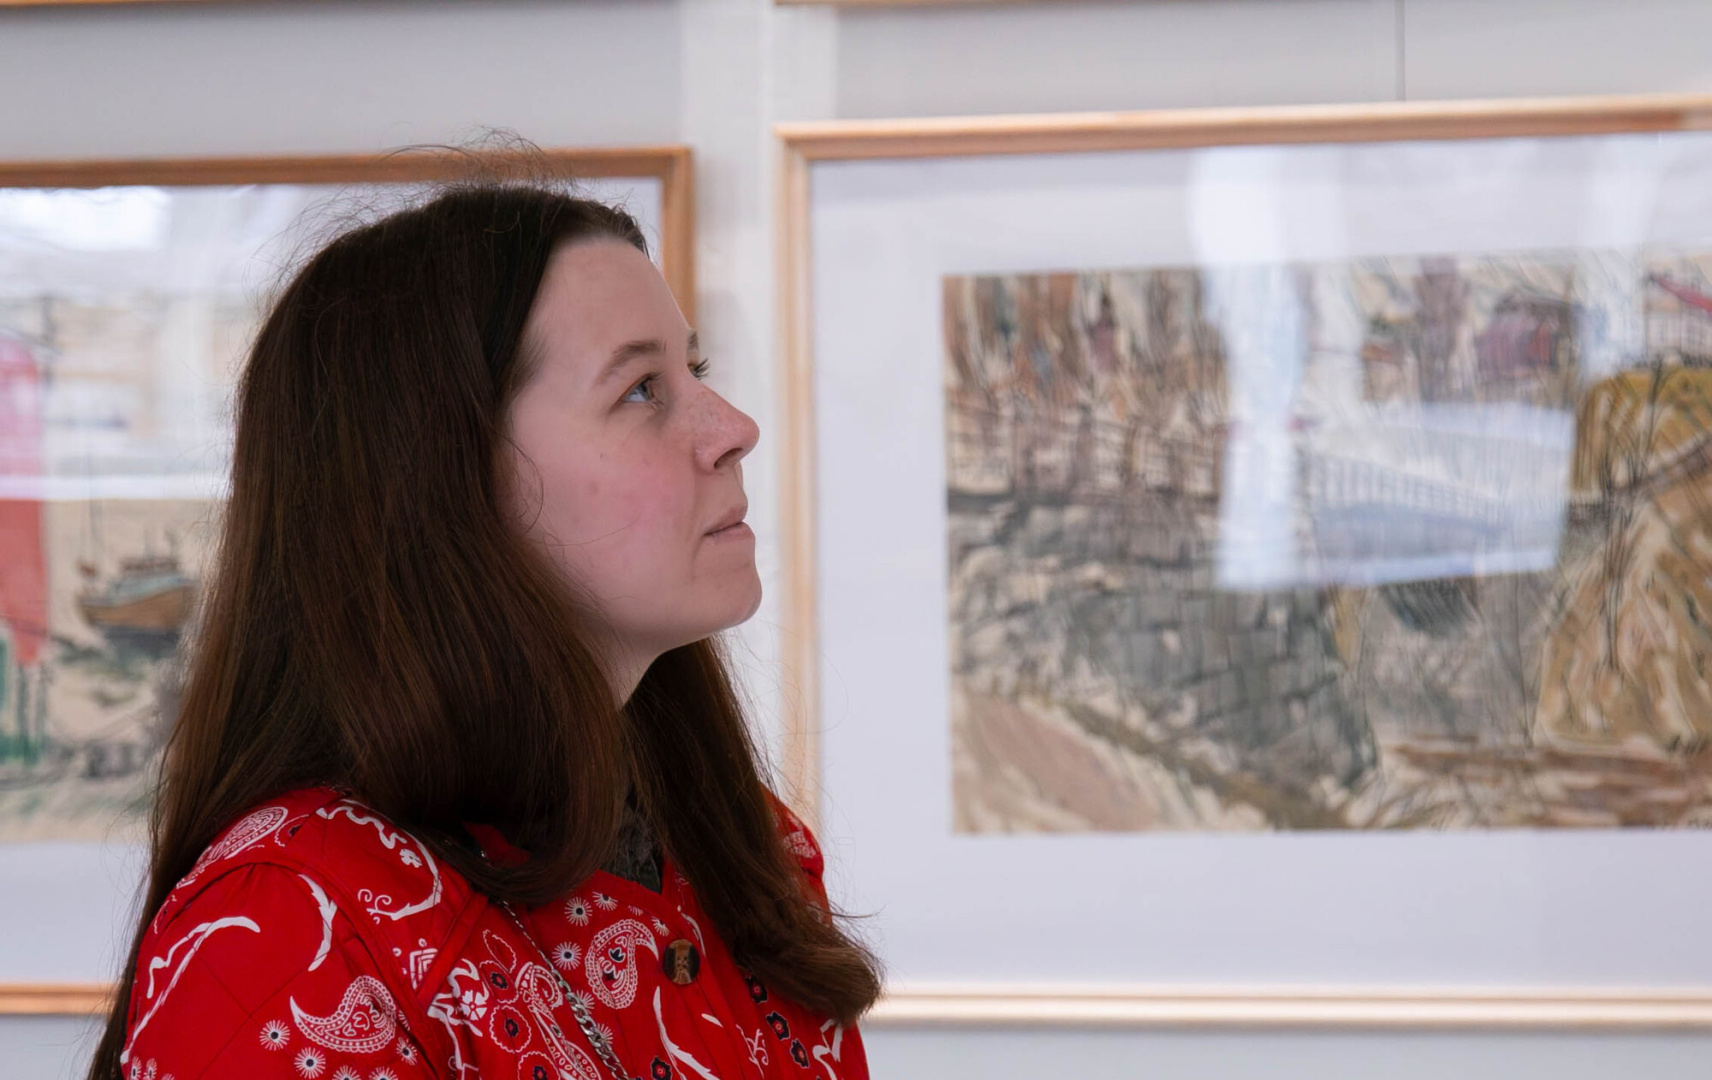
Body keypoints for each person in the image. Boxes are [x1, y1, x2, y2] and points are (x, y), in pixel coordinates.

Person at [85, 170, 883, 1080]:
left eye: (691, 372)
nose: (733, 427)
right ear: (444, 483)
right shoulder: (288, 931)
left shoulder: (750, 855)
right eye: (640, 389)